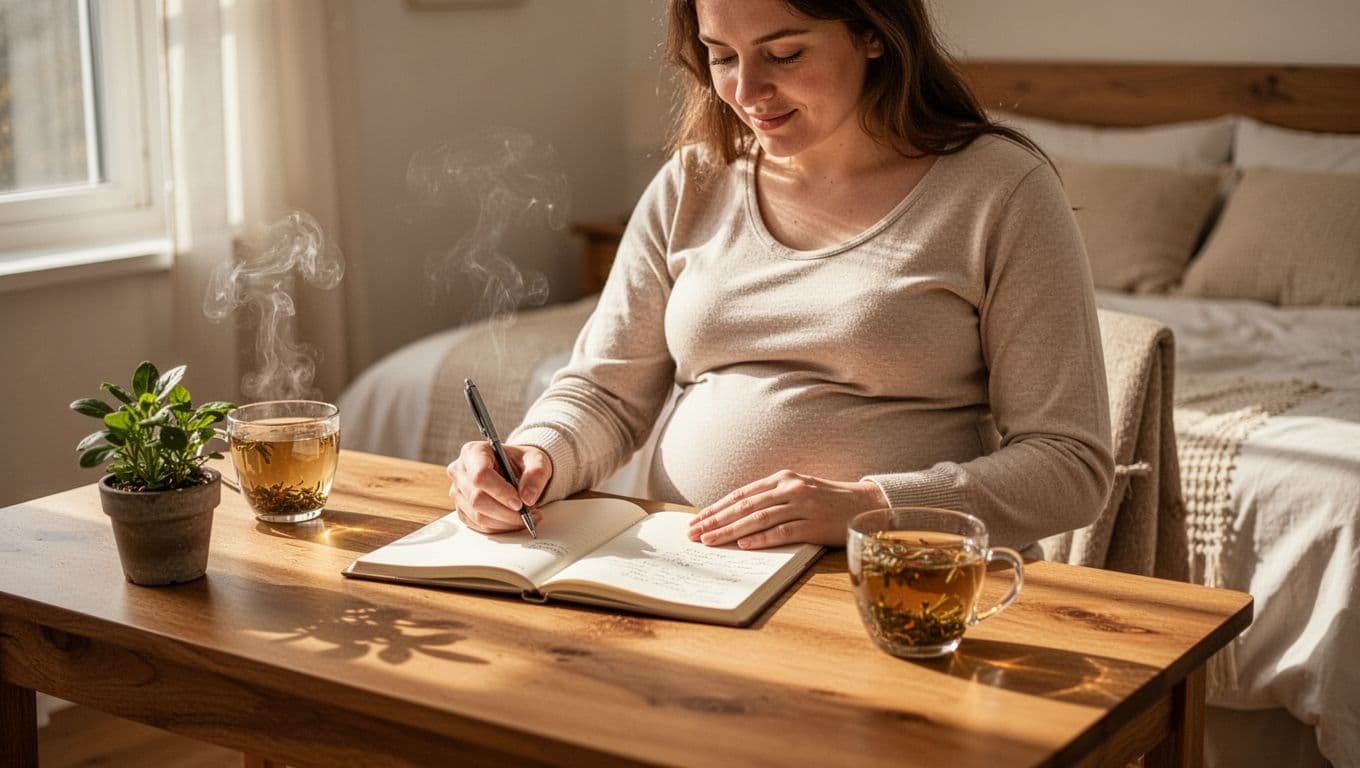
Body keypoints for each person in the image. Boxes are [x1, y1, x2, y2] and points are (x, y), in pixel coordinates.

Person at [447, 0, 1114, 555]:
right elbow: (605, 393)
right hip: (690, 576)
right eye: (722, 54)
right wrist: (538, 457)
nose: (743, 91)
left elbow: (1070, 465)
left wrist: (866, 507)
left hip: (903, 584)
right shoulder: (693, 182)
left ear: (873, 32)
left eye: (784, 54)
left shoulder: (999, 190)